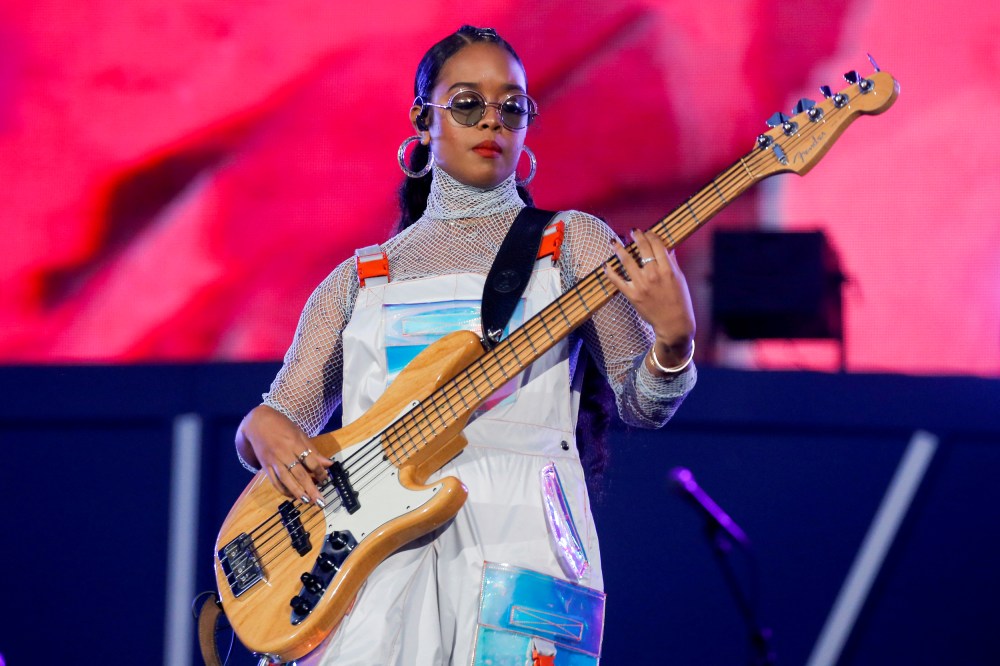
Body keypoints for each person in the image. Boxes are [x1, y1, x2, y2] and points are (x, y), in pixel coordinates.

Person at [234, 24, 697, 665]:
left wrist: (673, 342)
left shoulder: (573, 246)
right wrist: (262, 426)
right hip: (369, 561)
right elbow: (282, 416)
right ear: (424, 120)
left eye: (512, 106)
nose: (492, 121)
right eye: (467, 103)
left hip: (523, 542)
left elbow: (643, 403)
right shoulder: (360, 279)